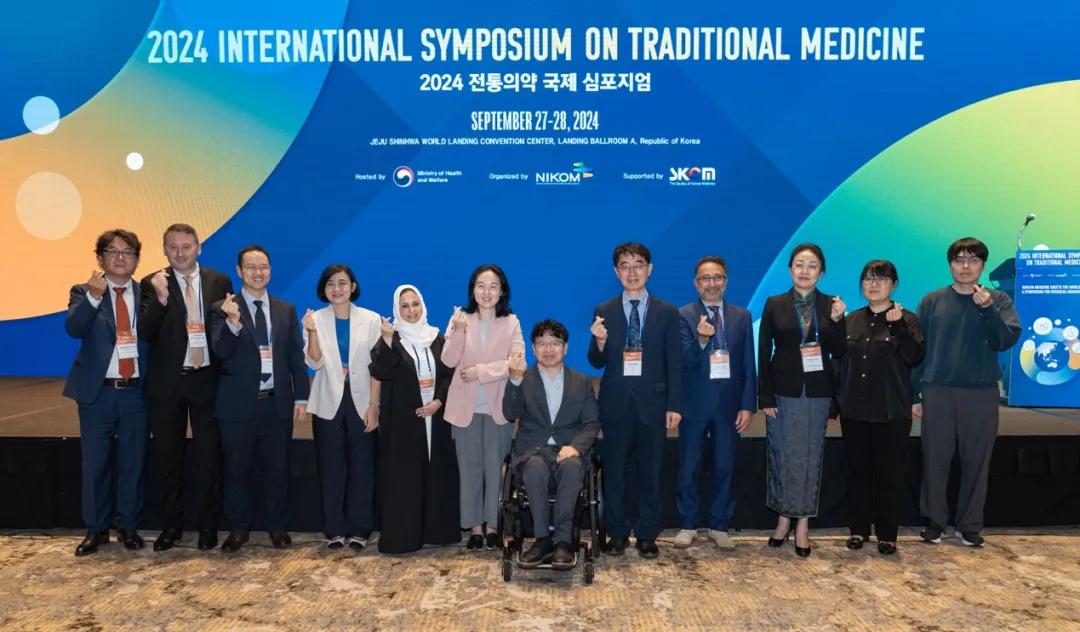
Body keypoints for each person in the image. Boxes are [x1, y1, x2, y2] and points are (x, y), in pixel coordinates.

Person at [913, 237, 1021, 548]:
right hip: (938, 391)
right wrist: (914, 394)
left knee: (977, 461)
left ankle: (970, 524)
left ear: (983, 266)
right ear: (950, 265)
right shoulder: (932, 300)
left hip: (981, 393)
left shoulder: (998, 299)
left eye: (973, 260)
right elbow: (918, 350)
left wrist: (987, 309)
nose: (965, 266)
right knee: (935, 459)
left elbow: (1004, 340)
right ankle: (934, 521)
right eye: (958, 260)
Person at [138, 223, 233, 552]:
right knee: (168, 458)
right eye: (173, 247)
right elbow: (145, 332)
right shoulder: (151, 282)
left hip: (207, 380)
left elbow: (225, 328)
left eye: (186, 246)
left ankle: (208, 526)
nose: (179, 253)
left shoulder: (219, 281)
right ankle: (172, 526)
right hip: (168, 383)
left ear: (198, 248)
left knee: (208, 458)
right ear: (165, 249)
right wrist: (161, 299)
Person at [209, 245, 309, 553]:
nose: (258, 272)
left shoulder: (285, 310)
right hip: (237, 405)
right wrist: (232, 322)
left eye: (263, 266)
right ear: (239, 271)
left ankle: (277, 526)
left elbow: (295, 356)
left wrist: (301, 397)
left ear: (270, 270)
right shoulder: (222, 308)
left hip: (276, 403)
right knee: (236, 470)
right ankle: (238, 528)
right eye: (251, 267)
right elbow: (220, 351)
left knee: (277, 469)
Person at [588, 242, 682, 560]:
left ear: (649, 269)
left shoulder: (668, 312)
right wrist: (599, 342)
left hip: (653, 405)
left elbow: (675, 363)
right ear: (616, 272)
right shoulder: (604, 310)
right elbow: (596, 361)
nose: (632, 272)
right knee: (614, 474)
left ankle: (647, 534)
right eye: (625, 266)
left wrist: (674, 405)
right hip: (615, 405)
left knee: (651, 474)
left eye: (638, 264)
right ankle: (616, 533)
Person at [64, 229, 150, 556]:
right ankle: (96, 529)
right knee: (95, 465)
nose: (120, 257)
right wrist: (93, 297)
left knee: (133, 463)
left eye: (127, 252)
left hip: (135, 393)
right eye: (112, 252)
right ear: (100, 258)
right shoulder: (83, 291)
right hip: (98, 394)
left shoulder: (147, 294)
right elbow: (74, 328)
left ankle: (128, 526)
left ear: (137, 259)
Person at [758, 242, 846, 558]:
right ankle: (783, 519)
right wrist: (765, 395)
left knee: (810, 458)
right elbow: (763, 350)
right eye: (799, 264)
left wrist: (837, 320)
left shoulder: (832, 304)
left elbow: (839, 350)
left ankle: (803, 525)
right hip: (783, 392)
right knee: (782, 456)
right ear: (790, 269)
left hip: (818, 393)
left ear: (821, 272)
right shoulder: (774, 303)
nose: (804, 271)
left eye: (812, 266)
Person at [835, 260, 924, 555]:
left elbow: (914, 357)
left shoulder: (907, 320)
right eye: (868, 279)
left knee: (890, 475)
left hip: (891, 411)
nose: (874, 285)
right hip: (855, 411)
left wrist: (898, 328)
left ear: (894, 285)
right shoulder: (851, 320)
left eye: (882, 279)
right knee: (857, 473)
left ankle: (887, 534)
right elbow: (838, 362)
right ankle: (858, 530)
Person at [370, 285, 460, 554]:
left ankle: (438, 532)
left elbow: (449, 375)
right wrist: (387, 341)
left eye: (415, 304)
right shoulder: (391, 338)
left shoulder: (437, 338)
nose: (411, 311)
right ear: (397, 310)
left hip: (437, 418)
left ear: (423, 305)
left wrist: (439, 401)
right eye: (405, 306)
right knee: (405, 478)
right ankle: (404, 537)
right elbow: (381, 371)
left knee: (437, 473)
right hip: (403, 421)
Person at [674, 256, 756, 550]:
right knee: (689, 468)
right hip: (694, 404)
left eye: (717, 277)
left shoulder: (742, 316)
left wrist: (747, 405)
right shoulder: (683, 315)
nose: (711, 283)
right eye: (705, 278)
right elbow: (683, 360)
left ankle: (720, 525)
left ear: (726, 281)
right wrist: (700, 339)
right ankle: (688, 524)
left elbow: (748, 365)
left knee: (725, 466)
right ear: (696, 283)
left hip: (729, 405)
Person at [504, 319, 600, 570]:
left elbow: (591, 423)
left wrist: (575, 448)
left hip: (569, 451)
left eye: (555, 343)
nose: (548, 349)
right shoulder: (523, 378)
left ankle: (563, 542)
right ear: (533, 349)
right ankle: (541, 540)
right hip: (532, 452)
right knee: (535, 467)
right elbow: (509, 413)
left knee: (572, 466)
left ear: (565, 348)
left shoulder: (581, 382)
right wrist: (514, 380)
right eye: (542, 344)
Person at [441, 264, 524, 551]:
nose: (486, 292)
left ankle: (493, 526)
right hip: (464, 408)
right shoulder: (460, 320)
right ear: (472, 290)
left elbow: (517, 362)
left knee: (495, 469)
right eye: (481, 286)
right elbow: (448, 361)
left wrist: (480, 371)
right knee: (470, 469)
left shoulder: (511, 322)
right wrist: (459, 331)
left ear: (502, 291)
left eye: (493, 287)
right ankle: (475, 527)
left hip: (497, 408)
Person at [300, 264, 381, 550]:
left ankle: (360, 529)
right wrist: (311, 332)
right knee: (331, 467)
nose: (337, 289)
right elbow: (314, 362)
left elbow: (377, 367)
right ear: (324, 289)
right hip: (328, 401)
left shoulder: (371, 320)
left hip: (362, 401)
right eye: (331, 284)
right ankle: (334, 529)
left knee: (362, 467)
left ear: (353, 287)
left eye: (343, 283)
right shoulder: (314, 319)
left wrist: (374, 405)